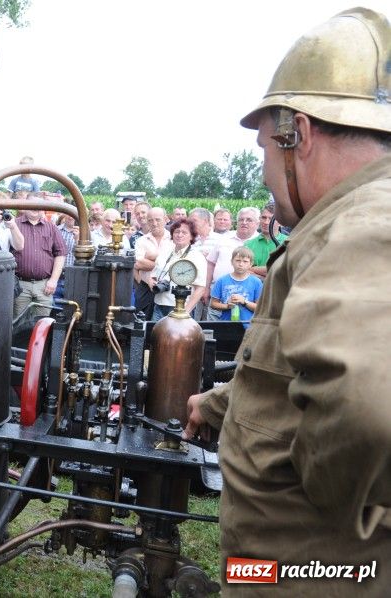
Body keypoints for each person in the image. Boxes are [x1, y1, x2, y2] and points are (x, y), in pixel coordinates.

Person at [183, 8, 391, 595]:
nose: (266, 175)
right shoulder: (341, 223)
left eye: (264, 154)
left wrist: (320, 497)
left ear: (296, 133)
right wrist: (219, 403)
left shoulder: (364, 223)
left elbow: (368, 406)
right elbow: (289, 373)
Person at [12, 201, 66, 318]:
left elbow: (60, 254)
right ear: (25, 206)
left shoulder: (51, 228)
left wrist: (53, 280)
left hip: (44, 286)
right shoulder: (14, 225)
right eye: (32, 204)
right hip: (20, 286)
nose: (35, 208)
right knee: (17, 325)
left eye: (38, 205)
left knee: (42, 325)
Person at [204, 206, 258, 319]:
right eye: (241, 219)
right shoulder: (224, 238)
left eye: (249, 220)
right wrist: (206, 288)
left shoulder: (259, 241)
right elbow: (211, 263)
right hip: (218, 295)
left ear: (257, 223)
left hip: (247, 310)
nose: (244, 222)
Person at [148, 217, 206, 321]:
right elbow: (153, 276)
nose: (179, 235)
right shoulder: (165, 253)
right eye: (177, 232)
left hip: (181, 308)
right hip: (159, 305)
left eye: (184, 232)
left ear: (192, 237)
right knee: (155, 337)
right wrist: (151, 281)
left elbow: (200, 288)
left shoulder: (197, 257)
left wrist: (186, 312)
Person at [133, 207, 173, 320]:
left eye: (158, 220)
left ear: (166, 219)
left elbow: (174, 264)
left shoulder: (174, 239)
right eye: (150, 220)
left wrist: (150, 257)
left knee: (165, 326)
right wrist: (165, 264)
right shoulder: (141, 241)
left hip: (167, 291)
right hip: (145, 290)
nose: (154, 223)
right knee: (142, 324)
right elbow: (138, 264)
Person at [209, 245, 261, 328]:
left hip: (248, 326)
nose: (240, 264)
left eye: (245, 261)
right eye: (238, 260)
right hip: (226, 326)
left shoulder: (256, 282)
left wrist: (244, 302)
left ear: (251, 264)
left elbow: (260, 308)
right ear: (231, 262)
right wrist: (227, 306)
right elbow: (213, 304)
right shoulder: (222, 280)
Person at [244, 201, 287, 279]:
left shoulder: (288, 242)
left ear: (280, 222)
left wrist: (252, 269)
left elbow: (284, 271)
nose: (266, 222)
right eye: (263, 217)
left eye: (271, 219)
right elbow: (242, 270)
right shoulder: (248, 244)